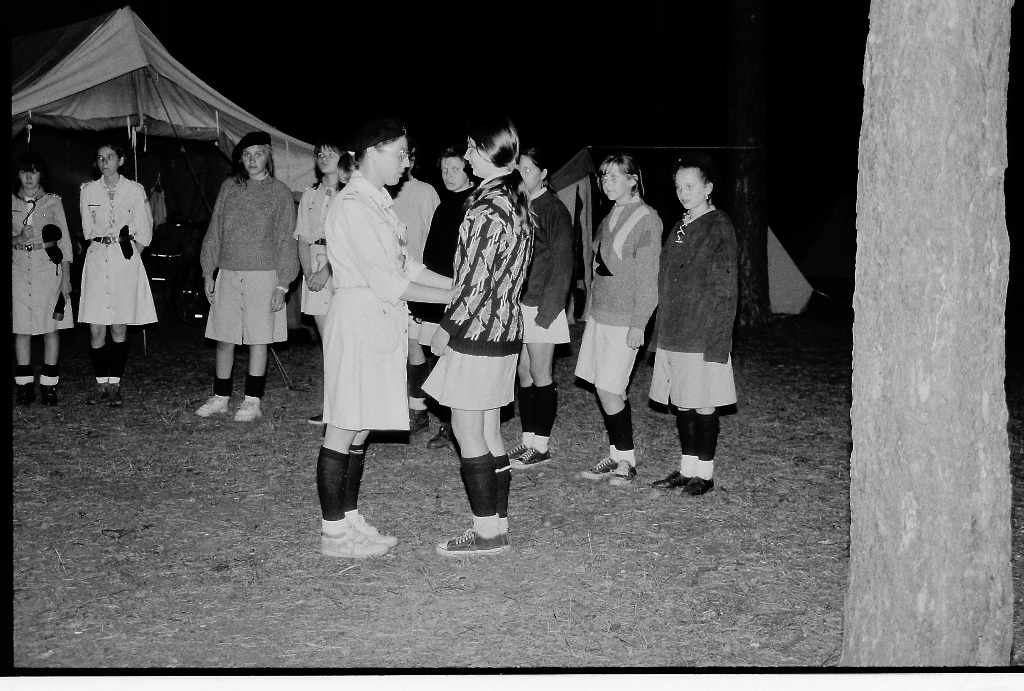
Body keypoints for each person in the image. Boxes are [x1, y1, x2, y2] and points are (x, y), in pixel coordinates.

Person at [316, 117, 456, 559]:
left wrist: (459, 284)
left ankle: (350, 519)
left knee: (360, 427)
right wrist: (456, 295)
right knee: (343, 426)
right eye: (400, 153)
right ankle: (333, 533)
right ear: (373, 151)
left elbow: (408, 265)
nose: (406, 162)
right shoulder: (353, 205)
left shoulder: (378, 201)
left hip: (378, 321)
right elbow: (388, 281)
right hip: (359, 318)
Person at [424, 114, 534, 557]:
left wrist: (446, 329)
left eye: (472, 148)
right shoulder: (513, 201)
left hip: (478, 331)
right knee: (488, 429)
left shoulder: (487, 208)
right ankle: (497, 524)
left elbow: (475, 282)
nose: (467, 155)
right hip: (504, 329)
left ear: (489, 152)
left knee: (467, 429)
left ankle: (487, 532)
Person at [195, 131, 299, 422]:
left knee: (258, 338)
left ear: (268, 156)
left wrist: (282, 284)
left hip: (264, 275)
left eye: (258, 154)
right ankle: (221, 397)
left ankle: (252, 401)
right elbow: (215, 231)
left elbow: (286, 240)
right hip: (228, 272)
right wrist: (208, 271)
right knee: (224, 336)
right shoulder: (229, 188)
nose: (252, 160)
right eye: (247, 155)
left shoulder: (279, 192)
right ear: (240, 159)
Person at [649, 155, 737, 496]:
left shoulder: (718, 226)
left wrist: (719, 339)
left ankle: (705, 473)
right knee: (682, 402)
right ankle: (687, 469)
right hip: (675, 329)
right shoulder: (681, 225)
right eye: (678, 187)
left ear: (708, 188)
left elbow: (725, 288)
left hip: (702, 330)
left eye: (690, 186)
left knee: (703, 402)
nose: (683, 193)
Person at [575, 153, 662, 486]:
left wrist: (639, 323)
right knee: (609, 387)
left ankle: (627, 461)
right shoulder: (610, 214)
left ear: (632, 180)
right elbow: (600, 267)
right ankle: (617, 455)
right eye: (603, 177)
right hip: (601, 315)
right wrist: (590, 310)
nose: (606, 183)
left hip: (626, 319)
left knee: (609, 388)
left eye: (614, 176)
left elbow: (648, 278)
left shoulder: (647, 219)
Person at [507, 147, 575, 469]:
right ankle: (528, 440)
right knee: (523, 372)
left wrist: (548, 313)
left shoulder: (554, 209)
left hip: (542, 306)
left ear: (543, 174)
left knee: (540, 372)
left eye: (529, 170)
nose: (522, 176)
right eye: (519, 170)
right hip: (521, 304)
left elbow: (563, 265)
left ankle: (542, 446)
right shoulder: (522, 206)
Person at [79, 143, 158, 407]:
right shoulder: (88, 190)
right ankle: (101, 383)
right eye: (100, 158)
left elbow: (145, 228)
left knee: (119, 325)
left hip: (124, 259)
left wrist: (132, 254)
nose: (105, 162)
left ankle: (115, 384)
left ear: (121, 160)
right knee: (96, 327)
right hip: (97, 259)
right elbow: (87, 228)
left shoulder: (135, 190)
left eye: (110, 157)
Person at [411, 145, 477, 451]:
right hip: (440, 294)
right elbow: (432, 256)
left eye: (455, 169)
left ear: (468, 170)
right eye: (444, 170)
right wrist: (424, 302)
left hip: (460, 296)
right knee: (441, 359)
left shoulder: (475, 203)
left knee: (456, 363)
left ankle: (457, 427)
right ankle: (450, 423)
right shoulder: (445, 204)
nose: (449, 175)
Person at [294, 139, 354, 425]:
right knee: (328, 342)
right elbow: (302, 238)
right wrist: (309, 273)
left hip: (341, 266)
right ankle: (332, 408)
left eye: (331, 153)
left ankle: (351, 406)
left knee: (346, 340)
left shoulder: (351, 194)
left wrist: (326, 271)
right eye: (320, 154)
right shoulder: (310, 195)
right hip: (314, 263)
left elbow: (349, 239)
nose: (324, 158)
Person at [12, 152, 74, 405]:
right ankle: (24, 386)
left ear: (41, 174)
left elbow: (65, 242)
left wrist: (66, 279)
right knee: (22, 329)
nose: (29, 177)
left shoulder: (53, 202)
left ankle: (49, 385)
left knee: (50, 329)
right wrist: (18, 239)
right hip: (19, 270)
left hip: (48, 270)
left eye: (34, 171)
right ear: (18, 174)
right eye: (24, 171)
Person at [388, 141, 441, 434]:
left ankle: (429, 410)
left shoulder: (424, 192)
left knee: (424, 345)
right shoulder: (382, 193)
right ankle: (407, 406)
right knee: (402, 346)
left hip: (420, 283)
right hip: (390, 285)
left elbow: (436, 239)